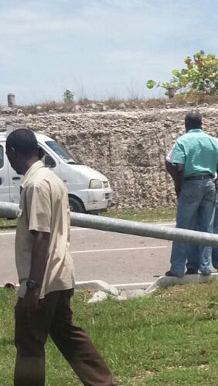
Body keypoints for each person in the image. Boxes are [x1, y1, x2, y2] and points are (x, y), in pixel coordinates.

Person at [7, 128, 117, 385]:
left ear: (12, 153)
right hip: (60, 275)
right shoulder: (52, 179)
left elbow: (41, 236)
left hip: (43, 282)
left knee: (29, 343)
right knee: (68, 335)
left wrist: (33, 288)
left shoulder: (35, 184)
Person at [165, 111, 218, 277]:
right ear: (201, 124)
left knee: (183, 228)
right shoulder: (211, 141)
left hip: (191, 183)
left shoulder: (182, 141)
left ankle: (177, 268)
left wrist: (179, 187)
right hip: (209, 184)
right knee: (207, 229)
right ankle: (205, 268)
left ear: (186, 125)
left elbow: (178, 167)